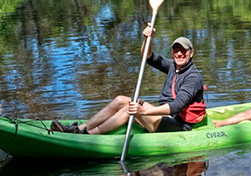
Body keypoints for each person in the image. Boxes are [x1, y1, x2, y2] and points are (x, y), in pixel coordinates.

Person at [51, 24, 205, 134]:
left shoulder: (193, 77)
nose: (179, 54)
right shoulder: (172, 66)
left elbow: (177, 106)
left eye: (183, 51)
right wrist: (147, 39)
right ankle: (78, 128)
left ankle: (89, 135)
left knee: (129, 109)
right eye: (176, 50)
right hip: (164, 115)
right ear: (172, 53)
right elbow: (148, 57)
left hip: (178, 124)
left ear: (191, 53)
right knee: (120, 100)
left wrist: (143, 112)